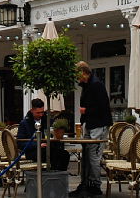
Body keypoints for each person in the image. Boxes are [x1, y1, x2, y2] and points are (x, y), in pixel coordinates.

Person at [71, 61, 111, 197]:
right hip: (90, 124)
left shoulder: (96, 85)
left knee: (93, 156)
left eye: (77, 75)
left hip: (99, 125)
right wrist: (84, 121)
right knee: (87, 154)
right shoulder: (87, 85)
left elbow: (103, 107)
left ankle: (95, 185)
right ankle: (85, 183)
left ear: (83, 72)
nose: (77, 78)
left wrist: (86, 111)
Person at [16, 99, 69, 172]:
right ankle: (52, 175)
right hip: (33, 151)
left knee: (65, 154)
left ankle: (59, 176)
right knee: (55, 155)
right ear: (32, 110)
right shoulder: (24, 123)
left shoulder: (47, 120)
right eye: (38, 113)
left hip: (48, 148)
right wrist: (37, 145)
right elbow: (20, 143)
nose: (40, 115)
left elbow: (53, 134)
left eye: (42, 112)